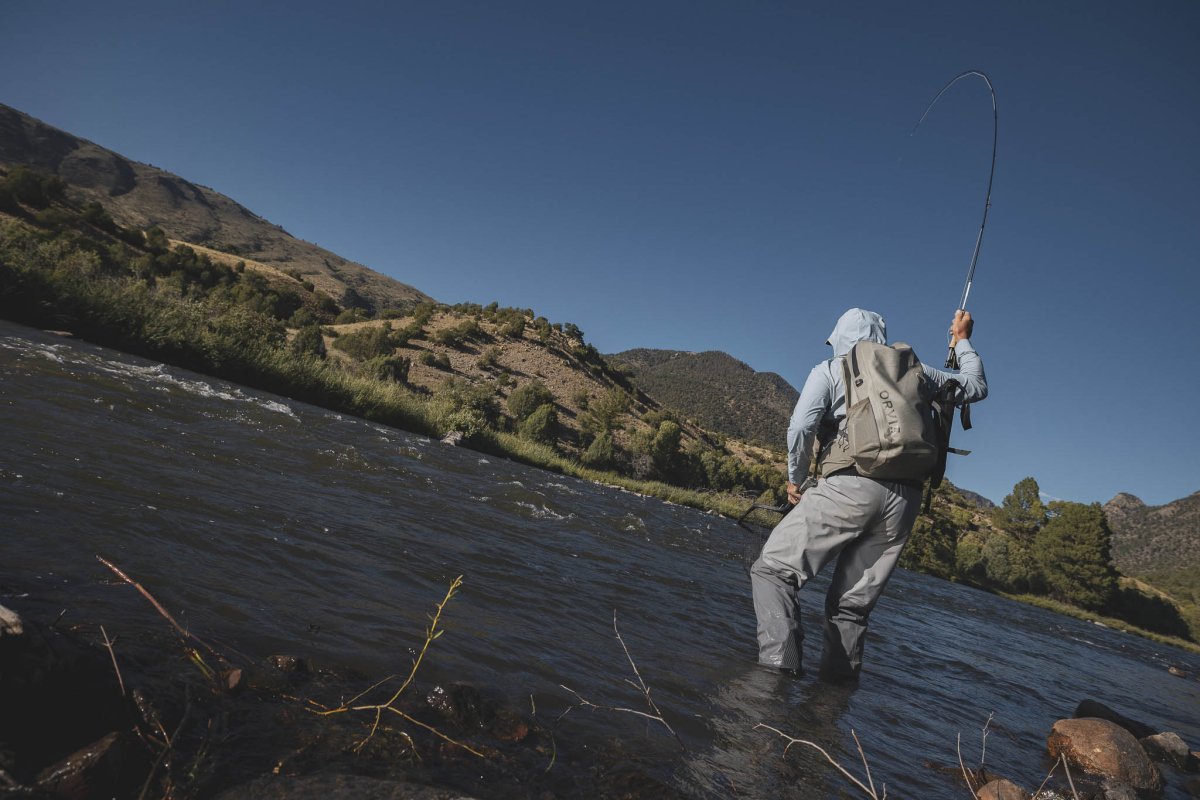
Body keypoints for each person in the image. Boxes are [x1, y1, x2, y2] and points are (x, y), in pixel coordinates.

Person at [750, 307, 987, 680]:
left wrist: (794, 479)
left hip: (849, 484)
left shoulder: (830, 369)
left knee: (773, 572)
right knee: (851, 608)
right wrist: (964, 341)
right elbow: (976, 387)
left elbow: (800, 427)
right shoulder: (918, 372)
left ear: (840, 339)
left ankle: (775, 679)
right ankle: (829, 707)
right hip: (905, 502)